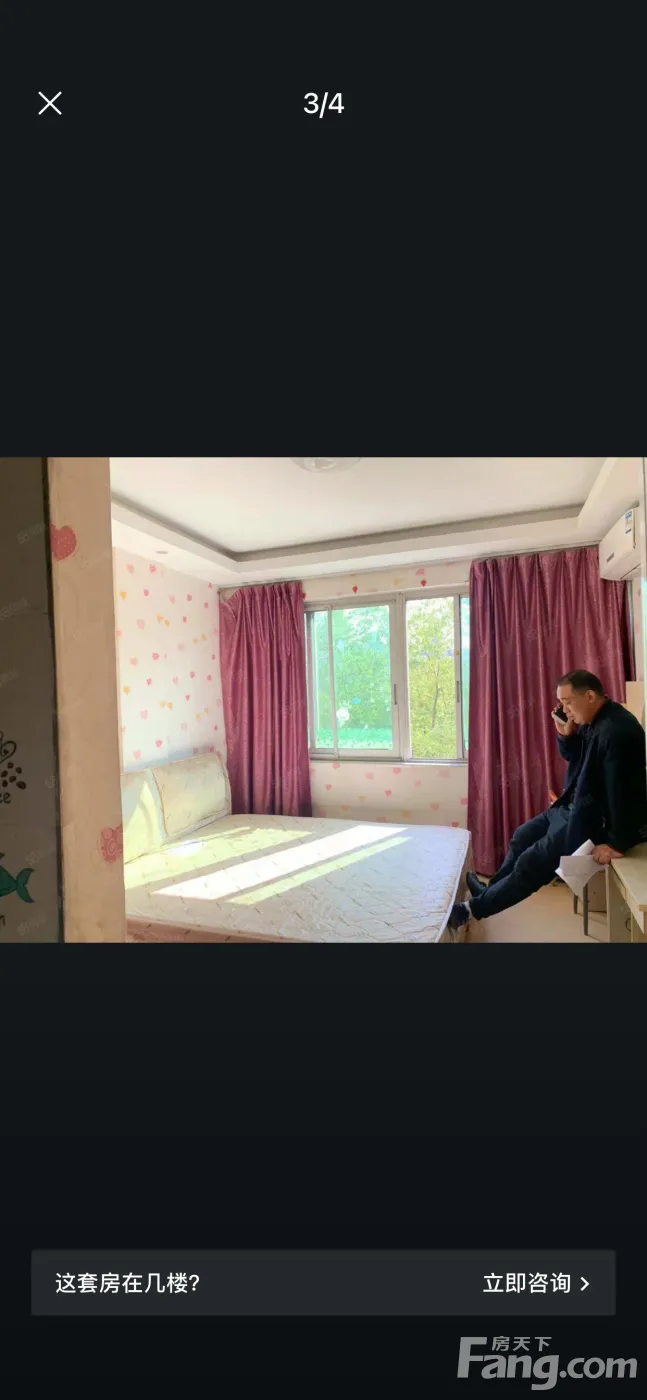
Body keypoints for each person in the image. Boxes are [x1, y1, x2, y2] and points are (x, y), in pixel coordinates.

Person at [448, 668, 647, 932]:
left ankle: (472, 910)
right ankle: (490, 892)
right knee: (522, 836)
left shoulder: (616, 731)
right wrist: (566, 734)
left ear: (589, 696)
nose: (565, 709)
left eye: (567, 702)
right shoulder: (595, 720)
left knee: (531, 863)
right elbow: (577, 759)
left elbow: (624, 792)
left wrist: (617, 843)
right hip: (570, 807)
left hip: (588, 820)